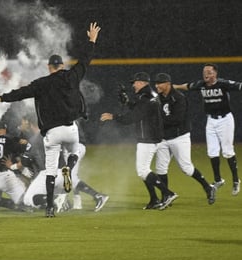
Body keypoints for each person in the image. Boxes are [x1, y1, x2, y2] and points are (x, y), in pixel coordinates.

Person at [0, 22, 101, 217]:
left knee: (49, 172)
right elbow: (85, 61)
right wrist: (92, 41)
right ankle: (68, 170)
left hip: (52, 133)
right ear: (61, 66)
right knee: (73, 152)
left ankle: (49, 209)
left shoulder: (41, 83)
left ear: (49, 67)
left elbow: (19, 93)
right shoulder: (71, 76)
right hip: (70, 128)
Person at [100, 72, 178, 210]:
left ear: (142, 82)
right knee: (145, 170)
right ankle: (154, 200)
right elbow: (141, 109)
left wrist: (114, 116)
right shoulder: (151, 95)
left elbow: (133, 117)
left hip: (147, 138)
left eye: (135, 82)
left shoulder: (146, 96)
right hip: (152, 136)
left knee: (142, 171)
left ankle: (168, 193)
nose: (133, 85)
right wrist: (128, 102)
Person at [173, 63, 242, 195]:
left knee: (227, 151)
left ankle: (235, 180)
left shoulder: (223, 84)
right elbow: (187, 86)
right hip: (211, 120)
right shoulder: (201, 85)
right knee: (212, 152)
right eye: (205, 72)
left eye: (209, 72)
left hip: (225, 120)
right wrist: (175, 86)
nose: (206, 74)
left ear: (215, 74)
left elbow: (239, 85)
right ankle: (218, 179)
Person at [153, 73, 216, 205]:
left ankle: (208, 187)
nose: (157, 85)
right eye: (156, 83)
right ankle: (166, 196)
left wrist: (158, 121)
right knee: (160, 168)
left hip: (179, 137)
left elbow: (177, 119)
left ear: (168, 84)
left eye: (160, 83)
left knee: (186, 168)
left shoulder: (178, 97)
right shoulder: (158, 98)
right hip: (164, 138)